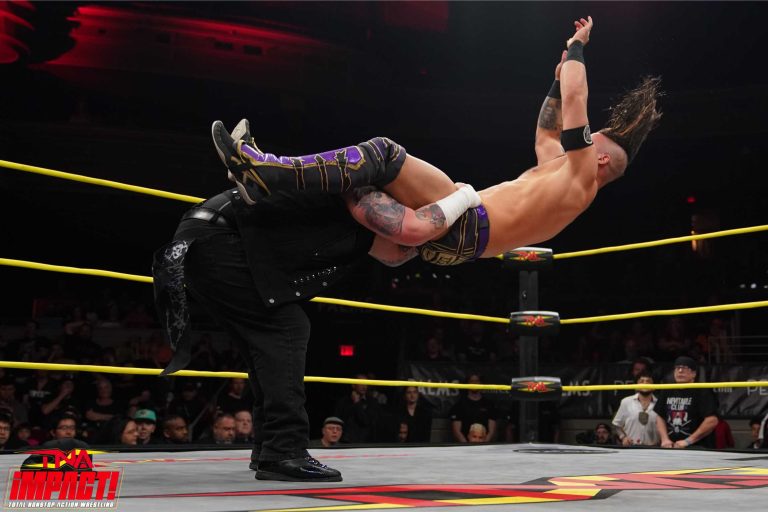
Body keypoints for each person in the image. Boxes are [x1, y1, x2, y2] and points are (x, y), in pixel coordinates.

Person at [154, 120, 474, 482]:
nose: (409, 252)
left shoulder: (361, 202)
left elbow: (397, 250)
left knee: (267, 341)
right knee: (286, 329)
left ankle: (270, 448)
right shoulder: (367, 193)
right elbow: (411, 232)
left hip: (211, 241)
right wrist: (465, 196)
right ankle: (284, 451)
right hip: (218, 241)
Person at [216, 17, 662, 268]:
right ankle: (270, 197)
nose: (585, 139)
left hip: (466, 224)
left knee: (384, 153)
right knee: (362, 183)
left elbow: (577, 100)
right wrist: (556, 78)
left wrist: (578, 47)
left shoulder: (582, 180)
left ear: (601, 159)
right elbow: (547, 130)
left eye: (592, 140)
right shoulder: (560, 174)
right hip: (460, 237)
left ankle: (268, 172)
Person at [654, 356, 718, 449]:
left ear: (693, 374)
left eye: (684, 368)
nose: (680, 371)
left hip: (697, 447)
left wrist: (688, 441)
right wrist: (664, 439)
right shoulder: (667, 389)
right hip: (670, 446)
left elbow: (712, 420)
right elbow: (660, 416)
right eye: (677, 368)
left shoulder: (702, 391)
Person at [612, 372, 659, 446]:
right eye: (641, 381)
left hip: (654, 448)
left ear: (654, 386)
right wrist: (623, 437)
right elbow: (616, 424)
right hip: (631, 447)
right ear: (636, 386)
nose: (645, 384)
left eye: (648, 381)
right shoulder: (626, 402)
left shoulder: (660, 403)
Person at [449, 374, 497, 443]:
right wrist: (467, 446)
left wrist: (484, 445)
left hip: (484, 446)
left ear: (481, 383)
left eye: (477, 381)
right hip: (464, 446)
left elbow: (491, 431)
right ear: (467, 384)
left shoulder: (489, 404)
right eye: (472, 381)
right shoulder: (459, 405)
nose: (474, 383)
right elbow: (457, 431)